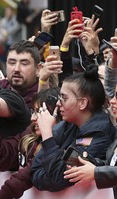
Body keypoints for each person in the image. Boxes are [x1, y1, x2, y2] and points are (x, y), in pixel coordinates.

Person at [30, 64, 116, 192]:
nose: (58, 104)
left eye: (63, 98)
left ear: (82, 103)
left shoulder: (100, 132)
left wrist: (47, 135)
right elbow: (35, 171)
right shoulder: (68, 124)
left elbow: (59, 177)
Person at [0, 40, 41, 106]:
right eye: (12, 63)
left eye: (24, 64)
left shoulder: (43, 100)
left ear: (38, 69)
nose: (16, 69)